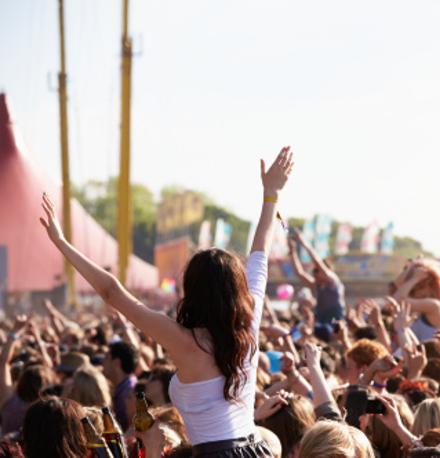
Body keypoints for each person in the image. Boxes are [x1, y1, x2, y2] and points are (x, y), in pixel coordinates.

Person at [39, 147, 294, 456]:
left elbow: (112, 292)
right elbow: (260, 255)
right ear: (236, 289)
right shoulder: (247, 323)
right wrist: (271, 196)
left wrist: (61, 243)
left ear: (192, 290)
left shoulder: (184, 339)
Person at [391, 259, 440, 340]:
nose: (414, 293)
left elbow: (397, 300)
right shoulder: (428, 304)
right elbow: (396, 286)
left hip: (426, 351)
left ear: (430, 286)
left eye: (419, 287)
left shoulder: (434, 305)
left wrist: (414, 279)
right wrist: (413, 267)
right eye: (412, 290)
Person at [288, 228, 345, 330]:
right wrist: (292, 251)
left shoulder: (332, 279)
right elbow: (299, 273)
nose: (315, 277)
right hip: (321, 318)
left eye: (317, 273)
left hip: (335, 318)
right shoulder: (317, 284)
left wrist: (303, 242)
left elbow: (317, 261)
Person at [103, 340, 138, 429]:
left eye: (106, 358)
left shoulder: (129, 392)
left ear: (116, 363)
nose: (103, 362)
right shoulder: (125, 387)